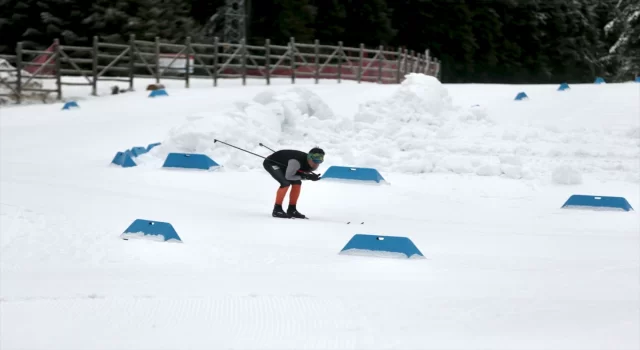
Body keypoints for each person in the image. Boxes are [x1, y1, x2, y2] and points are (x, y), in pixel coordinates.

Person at [262, 147, 324, 218]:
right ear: (309, 157)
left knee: (297, 183)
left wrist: (307, 176)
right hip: (271, 163)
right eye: (315, 160)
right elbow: (289, 176)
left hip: (287, 165)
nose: (316, 163)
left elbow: (299, 173)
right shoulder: (296, 162)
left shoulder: (312, 164)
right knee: (285, 183)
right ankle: (277, 210)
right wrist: (306, 176)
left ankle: (292, 210)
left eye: (319, 161)